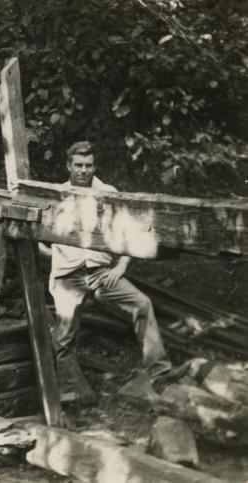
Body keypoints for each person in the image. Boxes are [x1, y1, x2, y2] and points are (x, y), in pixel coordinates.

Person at [42, 141, 173, 401]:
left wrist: (121, 265)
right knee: (65, 334)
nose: (83, 170)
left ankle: (159, 370)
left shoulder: (108, 193)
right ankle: (72, 391)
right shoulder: (57, 194)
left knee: (142, 304)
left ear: (95, 166)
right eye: (78, 165)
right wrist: (53, 257)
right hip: (67, 276)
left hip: (101, 273)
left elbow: (130, 233)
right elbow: (37, 235)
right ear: (68, 165)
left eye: (88, 165)